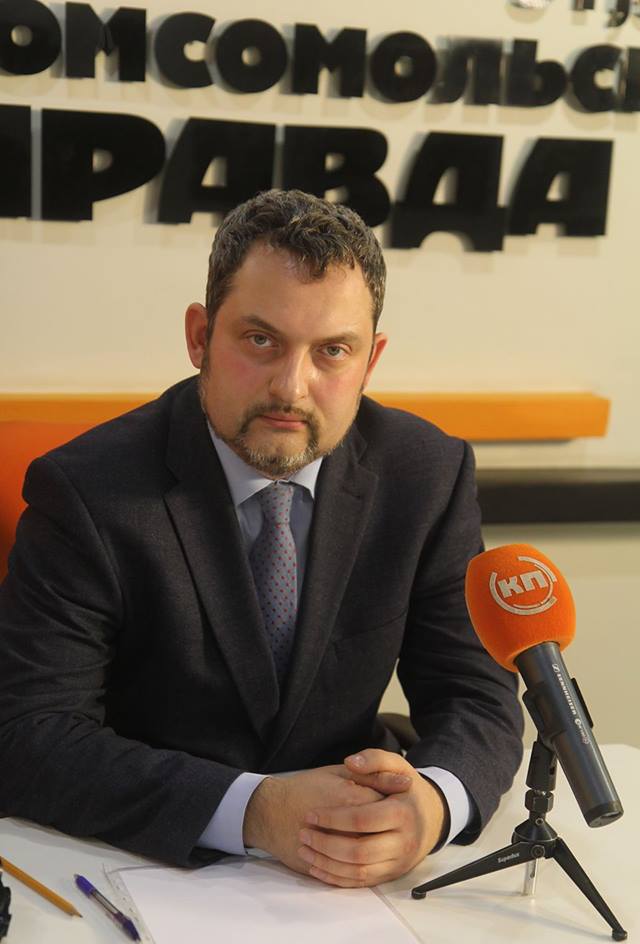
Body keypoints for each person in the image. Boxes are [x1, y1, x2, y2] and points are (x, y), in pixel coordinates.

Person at [0, 189, 523, 888]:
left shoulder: (426, 473)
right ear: (199, 337)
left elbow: (476, 693)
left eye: (332, 351)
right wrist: (254, 810)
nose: (291, 387)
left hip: (346, 886)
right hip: (142, 865)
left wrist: (433, 804)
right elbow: (29, 732)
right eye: (260, 340)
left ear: (370, 361)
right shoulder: (88, 489)